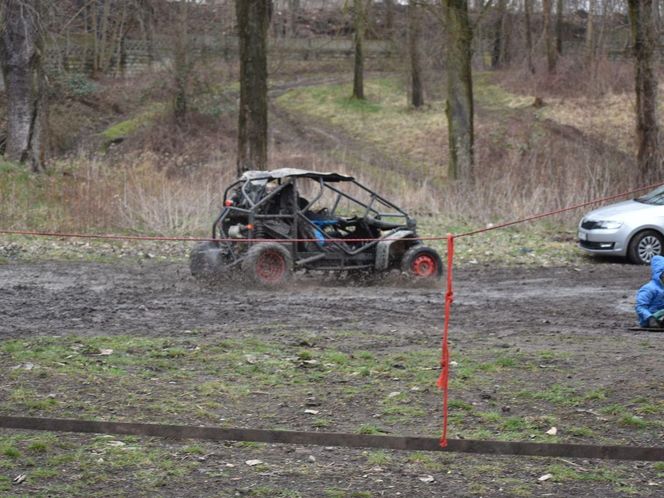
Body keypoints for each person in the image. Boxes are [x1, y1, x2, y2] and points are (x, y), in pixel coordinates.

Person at [635, 255, 664, 328]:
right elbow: (640, 307)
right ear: (660, 274)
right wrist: (650, 317)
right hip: (649, 320)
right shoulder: (649, 288)